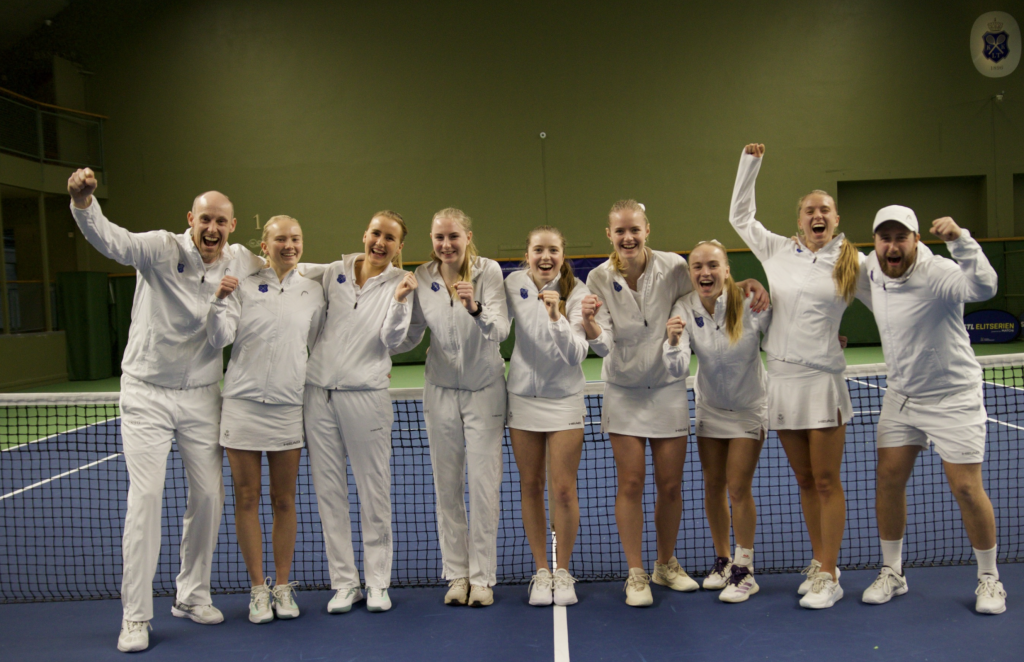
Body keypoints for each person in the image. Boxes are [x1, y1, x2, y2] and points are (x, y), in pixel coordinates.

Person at [67, 168, 265, 652]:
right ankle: (135, 616)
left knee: (209, 497)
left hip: (202, 395)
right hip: (146, 393)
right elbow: (113, 241)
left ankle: (192, 595)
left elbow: (284, 265)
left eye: (220, 221)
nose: (212, 228)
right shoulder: (159, 248)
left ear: (232, 226)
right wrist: (84, 204)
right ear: (190, 220)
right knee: (147, 497)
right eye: (204, 219)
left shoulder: (239, 260)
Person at [581, 201, 768, 607]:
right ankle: (636, 573)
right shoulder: (598, 278)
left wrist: (746, 284)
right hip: (624, 390)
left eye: (634, 229)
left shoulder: (675, 266)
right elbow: (603, 344)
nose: (628, 237)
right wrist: (591, 325)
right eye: (620, 231)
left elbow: (711, 286)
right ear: (609, 235)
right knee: (630, 483)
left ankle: (665, 564)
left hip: (668, 389)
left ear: (647, 229)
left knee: (670, 486)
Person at [728, 144, 867, 609]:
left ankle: (830, 574)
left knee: (827, 481)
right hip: (781, 381)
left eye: (825, 209)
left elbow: (891, 301)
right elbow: (740, 216)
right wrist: (750, 165)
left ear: (836, 218)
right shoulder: (777, 250)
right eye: (810, 210)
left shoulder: (852, 262)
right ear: (800, 219)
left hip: (822, 382)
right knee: (805, 480)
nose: (817, 215)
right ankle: (821, 560)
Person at [857, 206, 1005, 614]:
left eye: (901, 238)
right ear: (876, 242)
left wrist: (960, 240)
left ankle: (990, 578)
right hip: (902, 396)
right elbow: (827, 271)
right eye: (885, 238)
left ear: (916, 240)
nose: (892, 246)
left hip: (953, 396)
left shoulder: (938, 272)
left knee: (966, 488)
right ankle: (893, 571)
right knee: (888, 479)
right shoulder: (870, 268)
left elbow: (984, 287)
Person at [206, 216, 325, 623]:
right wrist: (219, 300)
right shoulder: (243, 283)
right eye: (280, 239)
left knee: (284, 500)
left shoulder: (313, 290)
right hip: (241, 404)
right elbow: (220, 337)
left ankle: (283, 586)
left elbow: (318, 343)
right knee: (246, 498)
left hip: (288, 406)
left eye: (295, 238)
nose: (289, 245)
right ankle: (258, 589)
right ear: (264, 244)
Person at [395, 208, 509, 607]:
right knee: (447, 487)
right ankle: (457, 574)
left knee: (483, 485)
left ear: (467, 237)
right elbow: (409, 337)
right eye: (439, 237)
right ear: (431, 239)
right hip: (440, 390)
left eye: (453, 236)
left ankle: (483, 577)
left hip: (485, 390)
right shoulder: (422, 277)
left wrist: (475, 307)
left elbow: (501, 329)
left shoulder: (489, 272)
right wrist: (398, 305)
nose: (446, 245)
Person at [302, 210, 415, 614]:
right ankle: (344, 583)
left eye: (390, 238)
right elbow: (292, 272)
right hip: (318, 396)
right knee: (329, 492)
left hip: (366, 397)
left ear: (399, 247)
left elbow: (393, 340)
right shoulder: (333, 272)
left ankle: (378, 583)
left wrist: (399, 301)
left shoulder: (402, 283)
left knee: (373, 491)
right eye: (375, 234)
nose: (380, 243)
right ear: (364, 234)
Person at [662, 240, 771, 603]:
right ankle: (724, 560)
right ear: (690, 272)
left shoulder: (750, 301)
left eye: (712, 265)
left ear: (726, 270)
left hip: (749, 408)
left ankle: (745, 570)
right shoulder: (685, 306)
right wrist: (672, 341)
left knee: (738, 487)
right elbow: (677, 367)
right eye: (697, 266)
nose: (705, 272)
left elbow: (781, 335)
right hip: (710, 407)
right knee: (713, 485)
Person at [505, 225, 590, 607]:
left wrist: (556, 316)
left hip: (564, 399)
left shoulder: (578, 292)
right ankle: (541, 570)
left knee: (564, 489)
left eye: (553, 250)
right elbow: (491, 323)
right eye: (538, 249)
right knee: (531, 485)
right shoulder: (513, 285)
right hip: (523, 398)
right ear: (527, 255)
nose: (545, 257)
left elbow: (576, 355)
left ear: (562, 255)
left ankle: (563, 570)